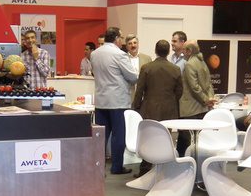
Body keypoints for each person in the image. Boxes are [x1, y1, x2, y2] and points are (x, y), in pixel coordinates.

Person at [92, 26, 139, 175]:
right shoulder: (120, 54)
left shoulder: (94, 54)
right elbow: (133, 76)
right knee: (119, 135)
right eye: (121, 38)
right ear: (117, 38)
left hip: (101, 100)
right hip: (118, 101)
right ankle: (116, 167)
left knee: (101, 136)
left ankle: (98, 168)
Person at [132, 39, 183, 177]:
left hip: (149, 108)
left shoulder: (146, 68)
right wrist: (171, 101)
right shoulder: (175, 69)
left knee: (149, 138)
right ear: (168, 52)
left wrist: (136, 106)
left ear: (155, 51)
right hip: (169, 109)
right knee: (166, 139)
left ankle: (145, 169)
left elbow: (140, 90)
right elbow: (179, 91)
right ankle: (165, 169)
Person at [176, 40, 216, 157]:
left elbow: (194, 87)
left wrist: (206, 100)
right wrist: (209, 98)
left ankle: (183, 163)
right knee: (197, 140)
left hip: (190, 109)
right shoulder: (202, 62)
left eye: (184, 50)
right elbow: (209, 83)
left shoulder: (189, 64)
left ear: (189, 51)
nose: (182, 52)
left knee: (185, 140)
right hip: (202, 109)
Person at [125, 34, 152, 102]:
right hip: (127, 96)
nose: (133, 45)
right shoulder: (123, 59)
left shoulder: (147, 58)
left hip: (144, 97)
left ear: (138, 44)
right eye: (130, 43)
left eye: (135, 43)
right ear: (126, 46)